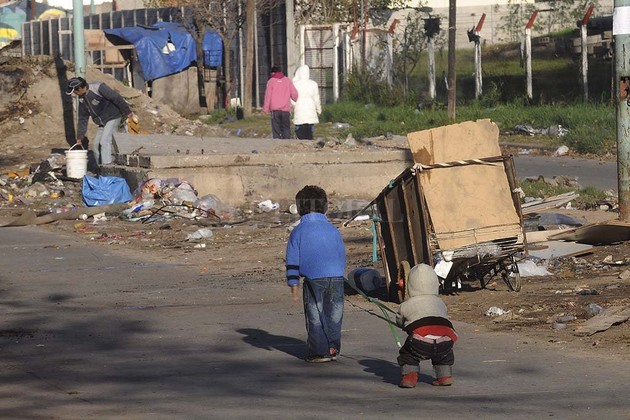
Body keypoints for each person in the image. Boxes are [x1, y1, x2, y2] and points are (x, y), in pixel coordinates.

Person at [285, 185, 346, 363]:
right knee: (334, 315)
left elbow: (292, 261)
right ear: (325, 207)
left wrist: (293, 284)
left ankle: (319, 352)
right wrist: (338, 274)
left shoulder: (298, 232)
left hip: (313, 280)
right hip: (336, 278)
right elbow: (341, 254)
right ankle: (333, 348)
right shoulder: (333, 230)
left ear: (299, 208)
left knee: (315, 316)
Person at [396, 263, 458, 388]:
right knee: (444, 355)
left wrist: (403, 324)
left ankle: (409, 378)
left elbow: (400, 321)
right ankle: (445, 377)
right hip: (446, 339)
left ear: (410, 286)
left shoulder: (407, 304)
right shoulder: (439, 302)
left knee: (408, 354)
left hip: (420, 341)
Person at [66, 76, 138, 166]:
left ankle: (107, 169)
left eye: (74, 91)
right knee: (96, 146)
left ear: (80, 88)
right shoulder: (82, 99)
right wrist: (80, 136)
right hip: (102, 123)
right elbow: (83, 118)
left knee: (105, 141)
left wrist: (128, 112)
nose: (75, 94)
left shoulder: (98, 88)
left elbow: (116, 97)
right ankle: (100, 168)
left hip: (113, 117)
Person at [263, 66, 298, 139]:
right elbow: (294, 93)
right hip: (285, 109)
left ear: (272, 73)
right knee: (286, 127)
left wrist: (266, 108)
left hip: (275, 109)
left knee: (276, 127)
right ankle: (286, 141)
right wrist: (295, 98)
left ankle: (277, 141)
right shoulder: (287, 80)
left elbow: (268, 96)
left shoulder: (271, 81)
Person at [291, 64, 321, 140]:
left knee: (299, 126)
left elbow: (292, 98)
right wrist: (318, 109)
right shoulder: (313, 84)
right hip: (311, 107)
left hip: (299, 107)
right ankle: (309, 140)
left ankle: (300, 139)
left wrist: (294, 106)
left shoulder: (295, 84)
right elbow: (316, 98)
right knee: (310, 126)